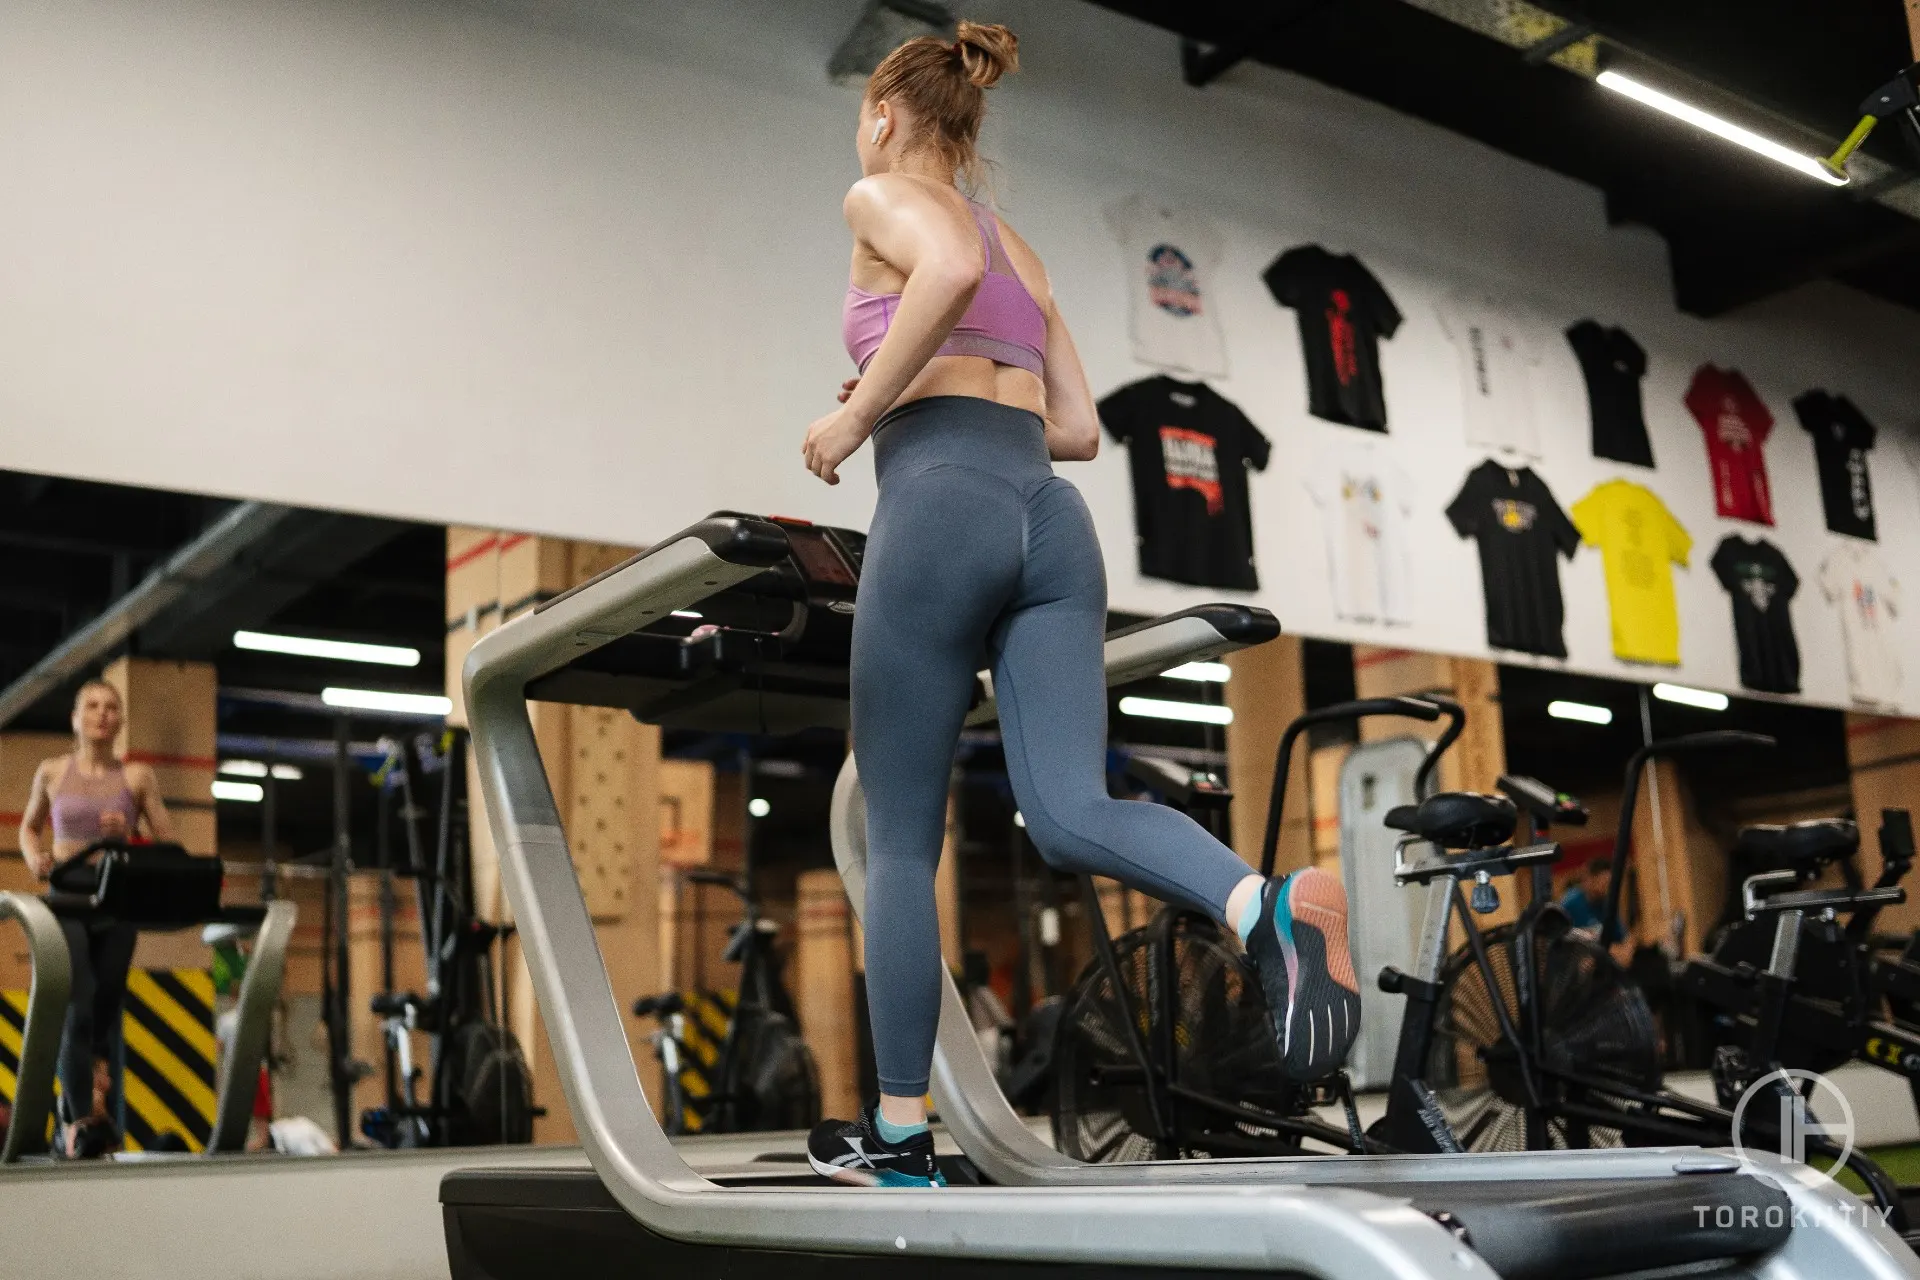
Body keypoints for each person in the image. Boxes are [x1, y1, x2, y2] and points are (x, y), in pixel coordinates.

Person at [801, 22, 1358, 1188]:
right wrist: (935, 380)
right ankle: (1258, 904)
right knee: (1068, 807)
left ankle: (900, 1137)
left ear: (889, 117)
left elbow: (940, 277)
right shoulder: (1024, 247)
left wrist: (856, 418)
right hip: (1048, 519)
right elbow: (1079, 431)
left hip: (939, 503)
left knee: (900, 840)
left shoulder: (881, 197)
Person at [17, 679, 176, 1157]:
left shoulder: (137, 779)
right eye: (92, 706)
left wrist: (130, 837)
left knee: (106, 1004)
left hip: (116, 897)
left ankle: (95, 1103)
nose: (102, 714)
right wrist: (35, 858)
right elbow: (28, 827)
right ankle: (78, 1113)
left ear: (120, 720)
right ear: (75, 718)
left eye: (111, 707)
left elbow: (170, 847)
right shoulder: (51, 771)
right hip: (66, 895)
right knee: (79, 999)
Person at [1560, 856, 1624, 945]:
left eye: (1609, 884)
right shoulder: (1569, 904)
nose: (1608, 889)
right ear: (1591, 879)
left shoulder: (1607, 905)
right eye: (1604, 883)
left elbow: (1621, 936)